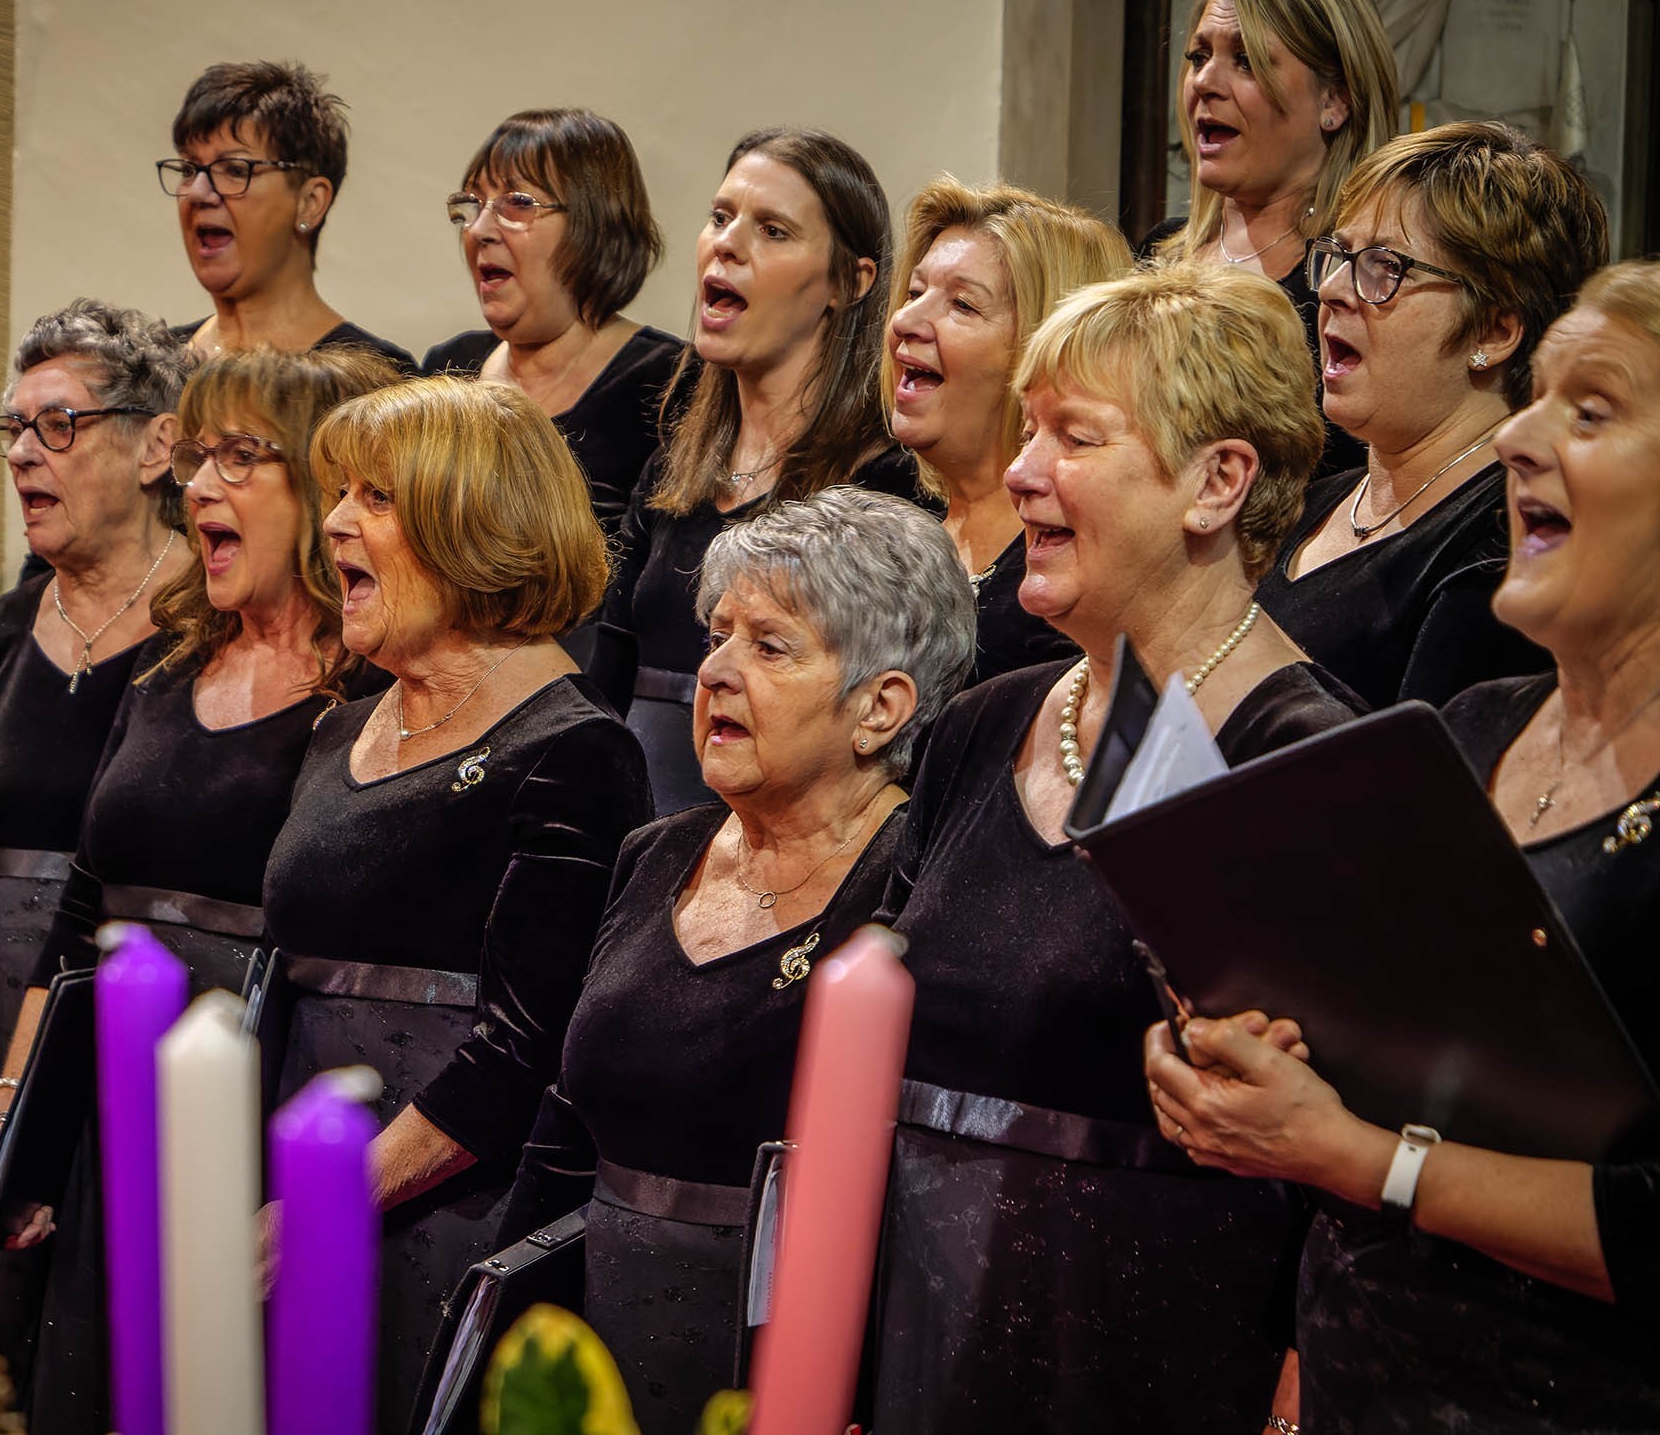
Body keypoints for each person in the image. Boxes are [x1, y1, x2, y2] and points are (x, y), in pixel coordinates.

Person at [1146, 261, 1660, 1431]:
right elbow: (1368, 1058)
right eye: (1530, 398)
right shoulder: (1463, 737)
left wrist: (1354, 1157)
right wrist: (1246, 1047)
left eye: (1589, 409)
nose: (1520, 439)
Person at [871, 260, 1360, 1433]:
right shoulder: (983, 723)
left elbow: (1335, 1158)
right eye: (1026, 432)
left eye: (1072, 440)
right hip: (923, 1340)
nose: (1021, 472)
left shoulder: (1301, 758)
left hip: (1154, 1358)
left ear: (1215, 482)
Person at [0, 344, 400, 1432]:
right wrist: (13, 1109)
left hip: (261, 1107)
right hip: (108, 1103)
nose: (197, 485)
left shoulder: (367, 702)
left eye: (239, 458)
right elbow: (79, 914)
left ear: (322, 492)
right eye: (196, 456)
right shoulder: (164, 673)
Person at [515, 487, 972, 1431]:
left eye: (769, 646)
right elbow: (562, 1133)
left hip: (789, 1368)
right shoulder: (655, 854)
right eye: (718, 635)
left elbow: (926, 1210)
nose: (714, 671)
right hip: (596, 1334)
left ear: (882, 706)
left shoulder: (919, 889)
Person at [261, 376, 652, 1433]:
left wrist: (318, 1211)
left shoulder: (573, 750)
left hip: (435, 1218)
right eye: (337, 492)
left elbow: (523, 1052)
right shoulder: (339, 727)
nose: (334, 520)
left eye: (376, 498)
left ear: (474, 527)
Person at [0, 300, 190, 1381]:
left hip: (111, 1013)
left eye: (59, 425)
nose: (25, 452)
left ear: (157, 442)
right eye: (14, 430)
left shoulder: (207, 629)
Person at [591, 126, 922, 814]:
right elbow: (605, 686)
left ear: (849, 282)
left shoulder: (885, 489)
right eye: (720, 218)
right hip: (632, 835)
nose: (727, 244)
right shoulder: (670, 470)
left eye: (772, 231)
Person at [1255, 122, 1603, 708]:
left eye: (1385, 267)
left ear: (1495, 330)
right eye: (1338, 255)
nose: (1334, 290)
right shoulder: (1312, 501)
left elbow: (1412, 782)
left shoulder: (1506, 540)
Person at [1150, 0, 1399, 474]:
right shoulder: (1153, 254)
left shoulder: (1357, 287)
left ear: (1334, 102)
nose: (1204, 83)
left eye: (1246, 62)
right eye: (1198, 57)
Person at [882, 177, 1128, 679]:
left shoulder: (1080, 571)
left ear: (1046, 347)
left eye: (962, 305)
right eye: (915, 291)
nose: (906, 319)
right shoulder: (888, 519)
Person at [422, 108, 680, 537]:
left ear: (596, 227)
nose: (480, 230)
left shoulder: (668, 384)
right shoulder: (446, 369)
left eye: (517, 204)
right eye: (473, 205)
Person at [158, 59, 414, 370]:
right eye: (188, 169)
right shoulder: (154, 370)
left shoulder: (374, 379)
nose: (197, 193)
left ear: (310, 202)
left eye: (236, 170)